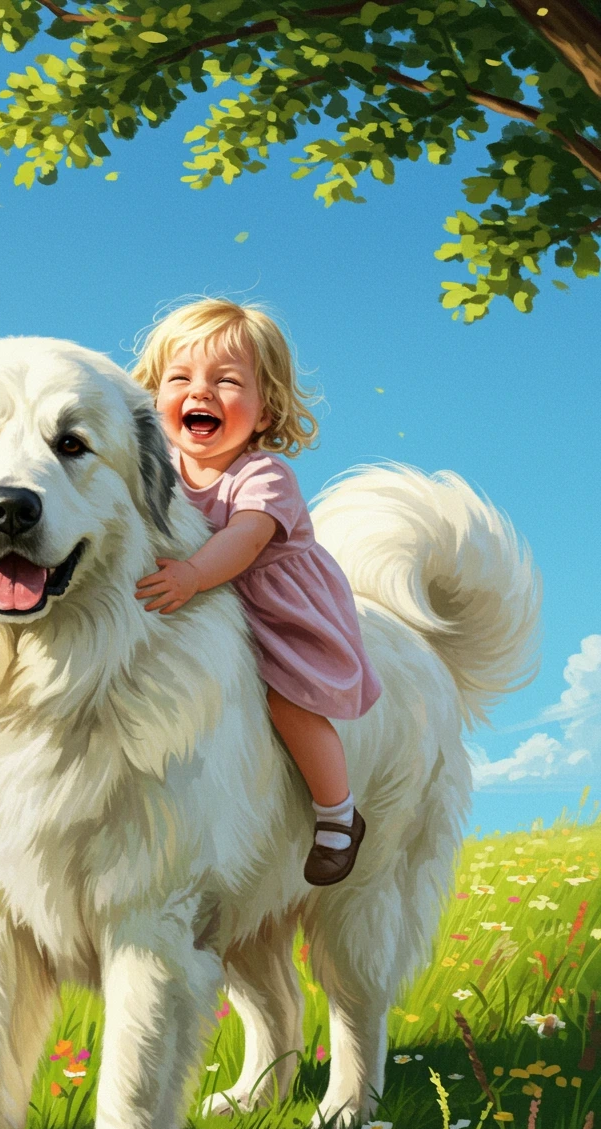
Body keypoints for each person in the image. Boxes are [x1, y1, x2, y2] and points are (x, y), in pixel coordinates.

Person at [132, 299, 381, 886]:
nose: (202, 393)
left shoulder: (262, 476)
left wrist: (192, 575)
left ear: (265, 409)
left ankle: (337, 814)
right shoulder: (157, 464)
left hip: (276, 611)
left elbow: (243, 540)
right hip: (209, 610)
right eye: (181, 379)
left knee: (287, 702)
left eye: (227, 381)